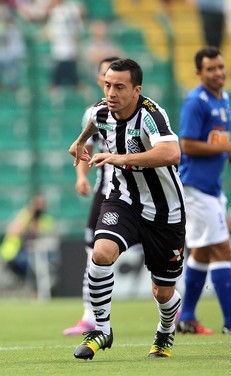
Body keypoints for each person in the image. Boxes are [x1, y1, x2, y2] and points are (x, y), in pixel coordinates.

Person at [68, 58, 186, 359]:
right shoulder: (101, 110)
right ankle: (102, 330)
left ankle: (165, 332)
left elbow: (172, 153)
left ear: (136, 90)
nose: (111, 92)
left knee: (162, 292)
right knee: (101, 252)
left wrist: (122, 159)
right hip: (124, 199)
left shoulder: (151, 115)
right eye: (108, 85)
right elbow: (92, 123)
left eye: (120, 87)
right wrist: (80, 141)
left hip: (164, 211)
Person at [176, 47, 231, 335]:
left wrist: (230, 155)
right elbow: (187, 145)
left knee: (201, 252)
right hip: (195, 188)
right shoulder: (195, 101)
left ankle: (186, 317)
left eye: (221, 67)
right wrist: (228, 148)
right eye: (211, 69)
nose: (218, 73)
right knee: (222, 248)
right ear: (199, 73)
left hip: (212, 187)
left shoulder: (224, 98)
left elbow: (215, 139)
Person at [62, 56, 119, 336]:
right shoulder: (94, 114)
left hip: (142, 194)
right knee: (92, 252)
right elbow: (84, 147)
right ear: (100, 80)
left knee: (156, 252)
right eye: (105, 76)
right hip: (106, 190)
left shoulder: (141, 111)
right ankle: (90, 316)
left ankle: (174, 307)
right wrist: (81, 177)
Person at [0, 194, 55, 281]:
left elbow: (45, 233)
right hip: (16, 252)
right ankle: (34, 285)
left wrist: (36, 224)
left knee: (46, 262)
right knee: (30, 263)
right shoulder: (24, 215)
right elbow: (13, 230)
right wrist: (28, 220)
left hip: (37, 252)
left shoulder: (45, 219)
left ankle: (42, 285)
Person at [0, 0, 26, 91]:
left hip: (13, 54)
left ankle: (15, 89)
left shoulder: (15, 27)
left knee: (14, 73)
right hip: (2, 54)